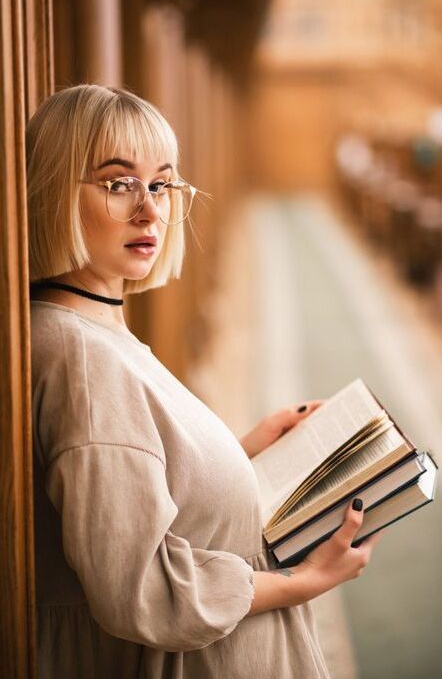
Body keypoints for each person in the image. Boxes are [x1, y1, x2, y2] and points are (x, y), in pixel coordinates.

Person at [27, 84, 383, 679]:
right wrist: (302, 582)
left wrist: (241, 453)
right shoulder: (80, 356)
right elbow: (143, 590)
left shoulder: (94, 329)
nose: (150, 210)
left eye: (162, 184)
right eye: (119, 183)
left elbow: (134, 487)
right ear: (53, 191)